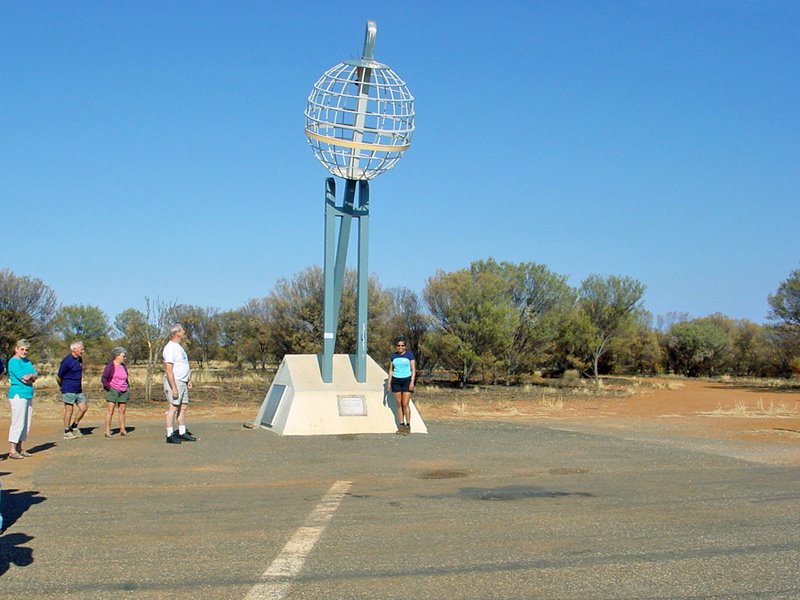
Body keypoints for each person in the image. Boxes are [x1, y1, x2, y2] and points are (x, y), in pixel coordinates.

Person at [163, 324, 196, 444]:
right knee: (173, 408)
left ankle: (182, 432)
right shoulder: (170, 347)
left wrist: (187, 380)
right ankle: (170, 434)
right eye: (182, 330)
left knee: (183, 407)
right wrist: (174, 387)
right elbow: (168, 369)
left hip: (182, 381)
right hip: (175, 381)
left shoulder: (179, 347)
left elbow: (182, 365)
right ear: (177, 333)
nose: (184, 331)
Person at [7, 340, 38, 459]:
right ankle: (12, 449)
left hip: (28, 393)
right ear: (16, 349)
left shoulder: (27, 361)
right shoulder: (13, 362)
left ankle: (20, 447)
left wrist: (31, 377)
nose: (24, 352)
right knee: (18, 421)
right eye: (22, 349)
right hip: (18, 394)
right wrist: (30, 377)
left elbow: (35, 374)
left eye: (26, 350)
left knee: (26, 422)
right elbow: (24, 378)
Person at [57, 341, 88, 440]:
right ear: (74, 349)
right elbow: (59, 376)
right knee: (69, 411)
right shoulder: (66, 361)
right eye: (81, 349)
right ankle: (66, 431)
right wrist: (62, 386)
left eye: (83, 349)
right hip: (68, 388)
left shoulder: (79, 359)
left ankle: (74, 426)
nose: (83, 351)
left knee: (83, 408)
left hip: (78, 389)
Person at [387, 337, 416, 434]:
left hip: (407, 380)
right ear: (396, 346)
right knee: (399, 404)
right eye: (398, 346)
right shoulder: (393, 356)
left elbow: (413, 369)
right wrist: (389, 382)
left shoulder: (409, 355)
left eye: (402, 346)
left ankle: (408, 425)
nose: (400, 347)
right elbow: (391, 369)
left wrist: (412, 382)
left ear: (405, 346)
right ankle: (401, 424)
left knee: (405, 403)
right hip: (396, 380)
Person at [101, 347, 130, 438]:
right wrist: (109, 387)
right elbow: (104, 378)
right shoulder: (110, 366)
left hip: (124, 389)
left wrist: (128, 387)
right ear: (117, 356)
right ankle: (107, 430)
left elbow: (126, 378)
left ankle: (122, 429)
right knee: (110, 410)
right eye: (123, 356)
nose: (124, 358)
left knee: (122, 410)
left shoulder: (123, 366)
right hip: (113, 389)